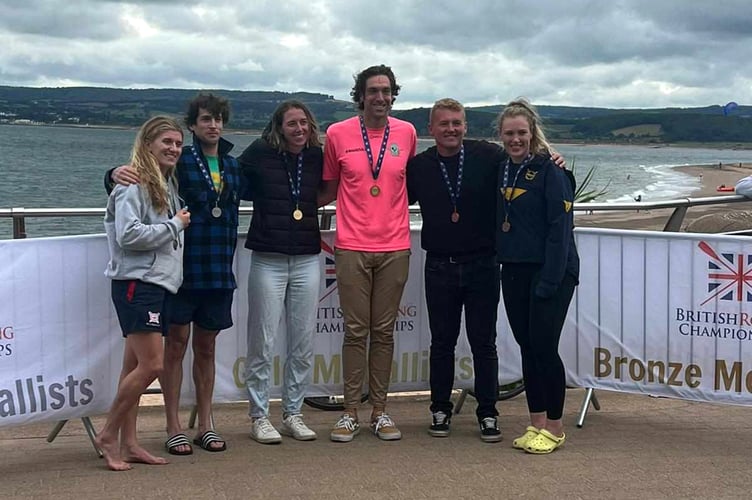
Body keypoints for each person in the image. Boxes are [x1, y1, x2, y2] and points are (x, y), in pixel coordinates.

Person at [106, 94, 244, 455]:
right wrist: (111, 174)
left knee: (207, 348)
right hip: (180, 271)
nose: (213, 125)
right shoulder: (181, 162)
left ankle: (206, 424)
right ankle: (172, 426)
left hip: (218, 270)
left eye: (218, 119)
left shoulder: (234, 165)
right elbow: (136, 180)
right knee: (173, 349)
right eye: (205, 120)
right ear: (194, 124)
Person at [318, 64, 417, 442]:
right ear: (360, 96)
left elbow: (410, 181)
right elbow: (326, 188)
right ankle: (349, 412)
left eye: (386, 91)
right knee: (356, 332)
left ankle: (380, 411)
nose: (379, 97)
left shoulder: (407, 133)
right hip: (351, 247)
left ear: (394, 95)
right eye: (372, 91)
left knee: (385, 333)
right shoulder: (337, 134)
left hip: (395, 247)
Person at [96, 116, 191, 471]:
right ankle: (108, 435)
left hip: (157, 284)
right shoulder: (133, 184)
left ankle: (130, 442)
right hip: (138, 284)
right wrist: (174, 224)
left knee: (133, 366)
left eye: (178, 144)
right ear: (148, 143)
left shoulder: (165, 184)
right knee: (152, 364)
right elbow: (128, 235)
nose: (173, 149)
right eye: (166, 141)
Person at [406, 98, 503, 442]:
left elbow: (525, 162)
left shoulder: (489, 156)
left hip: (483, 264)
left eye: (457, 123)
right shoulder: (418, 166)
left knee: (484, 343)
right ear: (430, 129)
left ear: (466, 126)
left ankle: (488, 412)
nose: (451, 129)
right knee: (442, 344)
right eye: (444, 124)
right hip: (440, 266)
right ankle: (440, 408)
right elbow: (389, 200)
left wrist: (557, 162)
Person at [495, 98, 579, 454]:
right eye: (509, 134)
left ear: (533, 134)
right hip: (513, 270)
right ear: (500, 136)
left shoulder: (551, 170)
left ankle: (556, 428)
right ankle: (536, 423)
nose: (516, 140)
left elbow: (560, 229)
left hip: (551, 273)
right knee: (527, 348)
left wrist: (550, 280)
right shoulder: (500, 166)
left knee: (545, 348)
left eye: (522, 133)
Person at [237, 100, 323, 443]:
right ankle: (259, 416)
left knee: (302, 341)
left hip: (306, 258)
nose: (299, 129)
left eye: (304, 123)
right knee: (262, 341)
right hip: (267, 258)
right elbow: (230, 179)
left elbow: (329, 188)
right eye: (292, 124)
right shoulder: (260, 151)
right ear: (279, 127)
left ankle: (293, 413)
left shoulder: (317, 155)